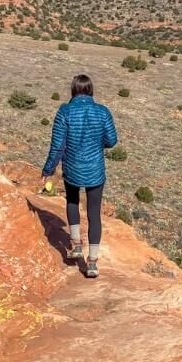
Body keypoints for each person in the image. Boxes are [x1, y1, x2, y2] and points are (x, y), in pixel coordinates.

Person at [40, 73, 118, 278]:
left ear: (73, 90)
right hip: (95, 169)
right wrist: (96, 141)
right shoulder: (102, 112)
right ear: (91, 90)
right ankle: (92, 263)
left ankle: (75, 244)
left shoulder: (65, 111)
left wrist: (48, 170)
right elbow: (112, 141)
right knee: (94, 214)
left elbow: (57, 146)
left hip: (73, 167)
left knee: (72, 201)